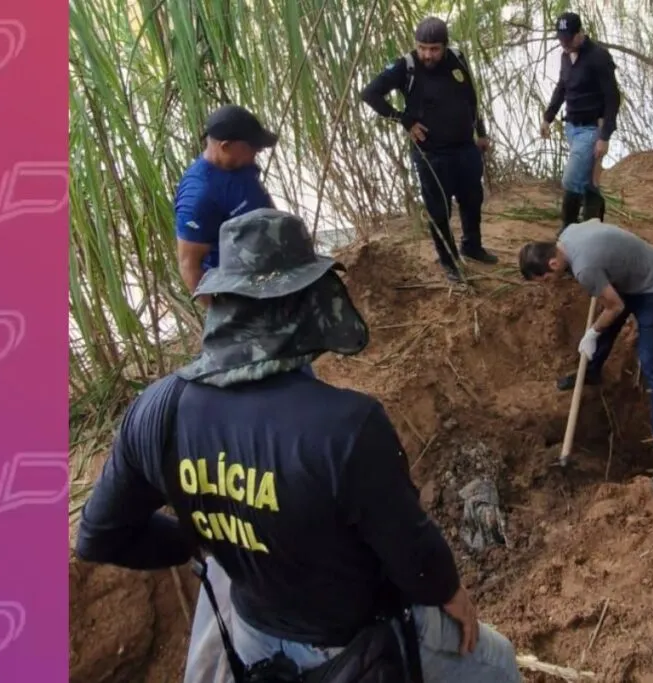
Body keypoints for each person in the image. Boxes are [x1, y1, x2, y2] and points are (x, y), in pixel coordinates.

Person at [75, 208, 522, 682]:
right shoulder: (347, 426)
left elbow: (100, 535)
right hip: (357, 643)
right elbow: (412, 554)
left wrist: (209, 534)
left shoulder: (155, 411)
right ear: (301, 301)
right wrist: (451, 592)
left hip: (254, 638)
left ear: (221, 303)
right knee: (498, 662)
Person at [517, 220, 653, 493]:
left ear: (552, 264)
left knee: (652, 364)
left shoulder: (585, 268)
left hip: (652, 283)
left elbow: (616, 305)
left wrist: (592, 332)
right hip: (629, 276)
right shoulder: (567, 235)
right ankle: (592, 371)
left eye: (547, 280)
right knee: (603, 332)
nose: (551, 285)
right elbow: (593, 221)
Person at [360, 17, 498, 283]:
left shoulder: (457, 58)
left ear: (445, 46)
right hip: (431, 154)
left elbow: (471, 98)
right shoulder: (406, 66)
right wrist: (403, 119)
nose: (428, 54)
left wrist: (480, 132)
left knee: (472, 200)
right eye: (423, 47)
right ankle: (449, 261)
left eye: (434, 49)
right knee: (438, 210)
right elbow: (370, 94)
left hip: (465, 148)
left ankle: (472, 245)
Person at [174, 104, 280, 305]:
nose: (257, 152)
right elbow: (189, 265)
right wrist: (221, 320)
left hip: (274, 273)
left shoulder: (240, 163)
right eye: (251, 148)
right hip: (242, 291)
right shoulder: (200, 197)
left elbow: (259, 198)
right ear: (225, 146)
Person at [541, 12, 622, 229]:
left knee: (571, 180)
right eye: (560, 39)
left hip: (591, 128)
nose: (564, 44)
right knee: (587, 181)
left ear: (580, 34)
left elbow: (613, 99)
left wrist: (604, 136)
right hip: (571, 127)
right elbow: (562, 87)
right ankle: (593, 226)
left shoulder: (599, 57)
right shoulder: (565, 56)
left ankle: (567, 229)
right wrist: (548, 117)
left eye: (568, 39)